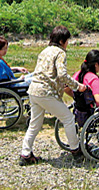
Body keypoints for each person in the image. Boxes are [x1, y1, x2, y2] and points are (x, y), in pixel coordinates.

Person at [20, 26, 87, 165]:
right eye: (67, 40)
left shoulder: (44, 51)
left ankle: (25, 154)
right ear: (62, 41)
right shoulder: (60, 53)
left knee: (35, 123)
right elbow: (62, 75)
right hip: (46, 92)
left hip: (33, 90)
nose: (68, 43)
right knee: (68, 118)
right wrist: (77, 86)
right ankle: (75, 150)